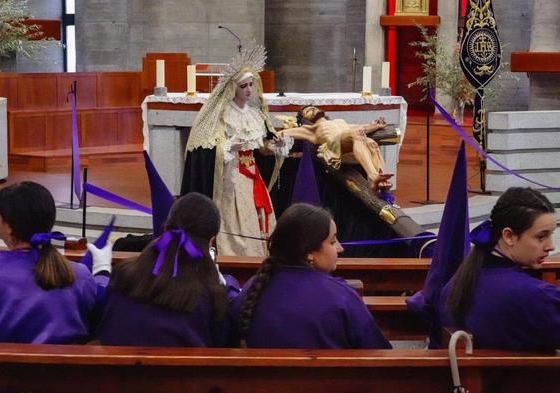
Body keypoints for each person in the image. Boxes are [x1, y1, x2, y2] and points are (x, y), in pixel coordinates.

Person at [180, 45, 292, 256]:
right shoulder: (222, 115)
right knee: (235, 218)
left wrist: (275, 146)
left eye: (251, 85)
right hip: (232, 175)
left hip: (253, 176)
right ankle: (236, 256)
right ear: (233, 88)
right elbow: (206, 147)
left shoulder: (255, 115)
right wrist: (226, 148)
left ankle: (260, 253)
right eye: (243, 86)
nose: (249, 89)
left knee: (258, 214)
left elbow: (262, 147)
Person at [230, 203, 391, 349]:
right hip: (332, 381)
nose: (340, 248)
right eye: (333, 242)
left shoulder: (251, 290)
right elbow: (379, 354)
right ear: (309, 253)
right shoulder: (341, 296)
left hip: (259, 381)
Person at [98, 192, 239, 347]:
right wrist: (224, 282)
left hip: (115, 370)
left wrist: (102, 272)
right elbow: (224, 342)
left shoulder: (123, 274)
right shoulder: (212, 296)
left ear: (167, 225)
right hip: (185, 371)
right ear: (211, 241)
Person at [439, 187, 560, 350]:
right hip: (522, 375)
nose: (551, 246)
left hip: (484, 375)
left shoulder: (457, 283)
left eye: (551, 234)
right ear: (509, 236)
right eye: (541, 237)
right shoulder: (536, 297)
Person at [0, 181, 110, 344]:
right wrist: (103, 272)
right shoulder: (78, 274)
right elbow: (102, 314)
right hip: (69, 369)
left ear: (8, 227)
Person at [279, 105, 393, 192]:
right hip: (334, 150)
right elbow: (286, 132)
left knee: (372, 143)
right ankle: (373, 177)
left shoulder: (338, 121)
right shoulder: (310, 129)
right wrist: (271, 135)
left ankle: (381, 180)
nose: (313, 109)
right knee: (356, 135)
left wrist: (374, 126)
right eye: (308, 111)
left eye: (314, 107)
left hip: (350, 144)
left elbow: (359, 128)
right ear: (305, 119)